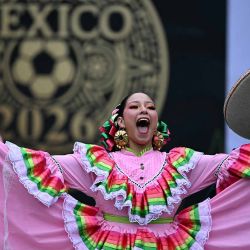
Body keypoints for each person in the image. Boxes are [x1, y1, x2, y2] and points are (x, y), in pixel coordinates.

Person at [0, 90, 250, 250]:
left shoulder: (181, 163)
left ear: (155, 122)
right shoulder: (96, 163)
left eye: (150, 107)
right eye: (135, 106)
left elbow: (235, 162)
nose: (144, 110)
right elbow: (30, 166)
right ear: (120, 121)